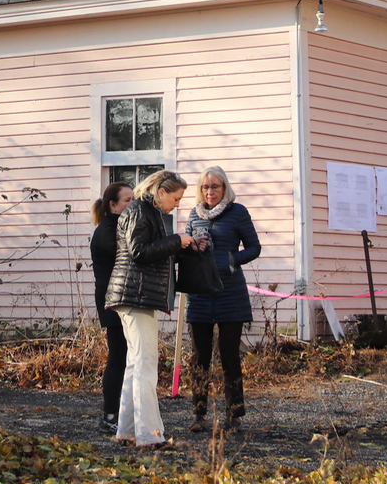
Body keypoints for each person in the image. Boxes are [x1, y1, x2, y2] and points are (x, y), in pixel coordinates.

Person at [105, 169, 191, 449]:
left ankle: (127, 431)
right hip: (135, 296)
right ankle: (150, 436)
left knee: (135, 365)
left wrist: (182, 245)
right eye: (176, 199)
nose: (177, 204)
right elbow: (139, 251)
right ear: (161, 192)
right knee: (145, 366)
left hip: (132, 296)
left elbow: (149, 251)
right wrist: (177, 240)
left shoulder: (144, 211)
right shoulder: (141, 212)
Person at [183, 166, 262, 434]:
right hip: (201, 294)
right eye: (205, 187)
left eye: (215, 187)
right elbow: (185, 248)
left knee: (229, 357)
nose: (210, 192)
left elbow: (254, 247)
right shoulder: (195, 214)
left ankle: (234, 415)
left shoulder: (237, 212)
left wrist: (232, 259)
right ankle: (198, 414)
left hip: (231, 295)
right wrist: (194, 246)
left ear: (224, 188)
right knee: (199, 358)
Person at [89, 181, 134, 434]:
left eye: (133, 199)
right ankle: (109, 415)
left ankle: (120, 412)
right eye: (127, 200)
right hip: (112, 302)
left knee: (124, 356)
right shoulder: (108, 231)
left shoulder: (118, 226)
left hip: (119, 300)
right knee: (118, 356)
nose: (132, 204)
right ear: (113, 205)